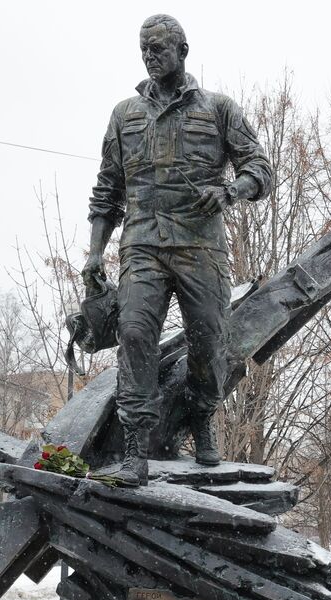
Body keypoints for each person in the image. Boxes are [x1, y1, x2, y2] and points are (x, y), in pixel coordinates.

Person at [84, 13, 274, 485]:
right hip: (142, 245)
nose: (150, 57)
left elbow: (260, 168)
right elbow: (107, 190)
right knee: (133, 335)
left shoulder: (219, 109)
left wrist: (231, 191)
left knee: (209, 341)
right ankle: (135, 448)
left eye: (159, 49)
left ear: (182, 51)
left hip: (201, 247)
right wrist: (93, 252)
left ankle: (202, 416)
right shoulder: (123, 115)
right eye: (144, 49)